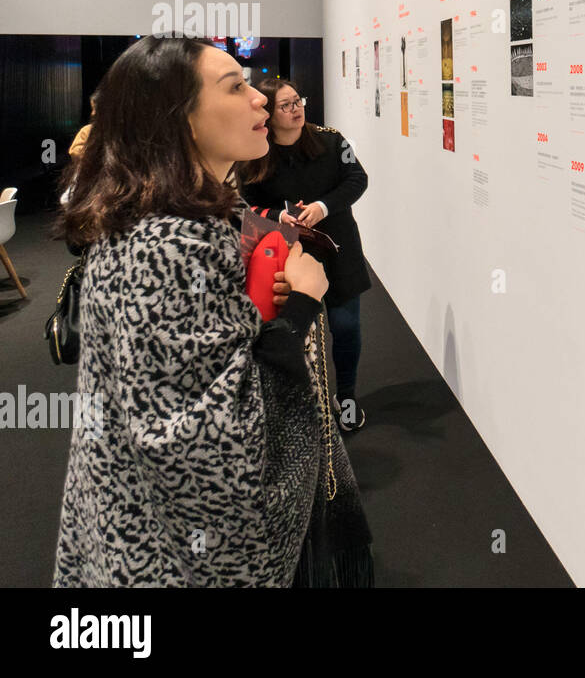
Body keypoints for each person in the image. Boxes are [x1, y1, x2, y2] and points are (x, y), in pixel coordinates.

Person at [52, 34, 373, 587]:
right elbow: (201, 446)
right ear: (178, 121)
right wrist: (298, 305)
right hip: (168, 563)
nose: (261, 101)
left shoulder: (185, 212)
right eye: (237, 87)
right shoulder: (167, 242)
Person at [236, 79, 373, 432]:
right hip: (288, 255)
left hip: (338, 246)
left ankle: (346, 399)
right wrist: (276, 217)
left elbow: (358, 179)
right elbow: (245, 204)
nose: (296, 109)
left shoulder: (333, 140)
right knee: (296, 333)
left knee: (346, 327)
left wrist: (324, 207)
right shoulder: (255, 151)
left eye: (298, 100)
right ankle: (301, 405)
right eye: (285, 105)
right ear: (268, 111)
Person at [67, 91, 98, 158]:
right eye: (92, 109)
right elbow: (75, 152)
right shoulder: (88, 130)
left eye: (96, 109)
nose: (93, 113)